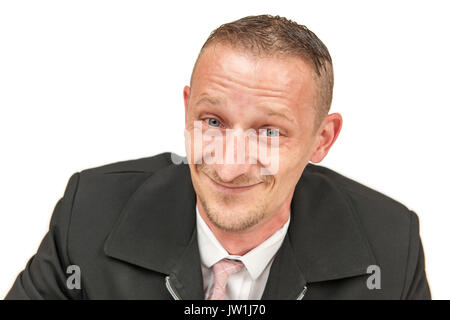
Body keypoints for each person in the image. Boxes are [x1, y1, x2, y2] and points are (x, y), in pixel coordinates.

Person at [5, 14, 430, 300]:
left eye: (269, 132)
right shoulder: (89, 214)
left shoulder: (390, 248)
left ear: (323, 139)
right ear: (187, 109)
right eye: (212, 122)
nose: (230, 164)